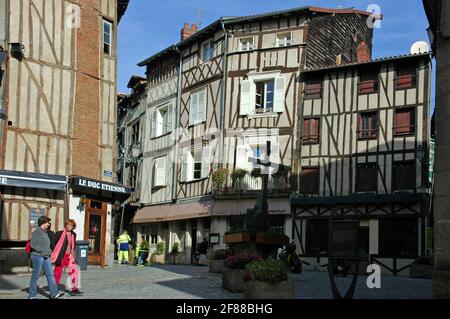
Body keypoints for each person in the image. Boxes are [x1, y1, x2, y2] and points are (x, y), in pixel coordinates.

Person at [28, 216, 64, 299]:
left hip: (46, 257)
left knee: (50, 275)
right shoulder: (36, 232)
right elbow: (33, 244)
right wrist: (41, 250)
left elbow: (46, 244)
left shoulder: (45, 232)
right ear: (43, 223)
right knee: (35, 276)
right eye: (48, 222)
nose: (49, 224)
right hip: (37, 256)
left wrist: (49, 252)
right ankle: (32, 295)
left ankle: (54, 293)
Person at [51, 219, 83, 296]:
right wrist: (56, 251)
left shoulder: (73, 234)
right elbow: (52, 243)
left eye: (70, 225)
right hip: (61, 256)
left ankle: (74, 289)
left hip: (69, 256)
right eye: (67, 225)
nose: (69, 226)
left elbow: (73, 245)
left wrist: (72, 252)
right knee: (57, 272)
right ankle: (54, 289)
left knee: (74, 271)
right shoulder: (59, 233)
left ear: (73, 227)